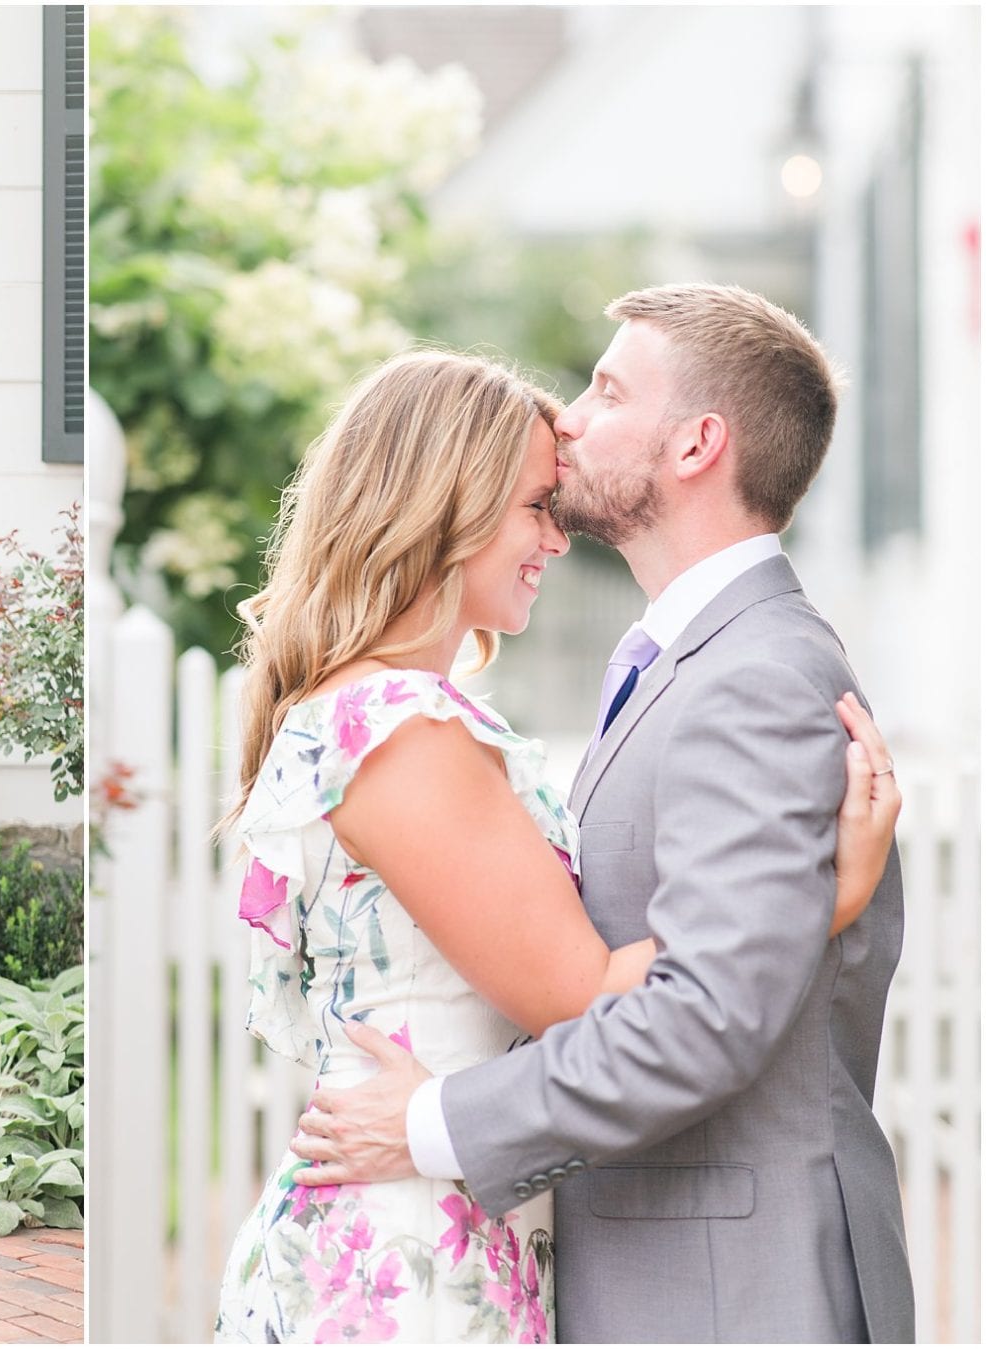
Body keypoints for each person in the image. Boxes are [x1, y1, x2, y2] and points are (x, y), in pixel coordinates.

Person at [211, 339, 903, 1343]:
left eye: (606, 392)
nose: (554, 529)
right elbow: (584, 994)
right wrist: (823, 897)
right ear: (447, 502)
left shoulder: (398, 715)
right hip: (412, 1258)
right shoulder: (403, 728)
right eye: (536, 504)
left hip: (449, 1213)